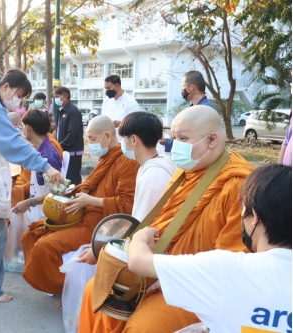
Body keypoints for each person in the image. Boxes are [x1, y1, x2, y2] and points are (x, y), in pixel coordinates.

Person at [78, 105, 255, 333]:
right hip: (158, 267)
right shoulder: (186, 172)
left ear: (212, 140)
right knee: (96, 289)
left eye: (182, 138)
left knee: (144, 327)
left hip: (196, 286)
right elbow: (160, 223)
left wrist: (170, 274)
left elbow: (232, 260)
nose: (176, 145)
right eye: (174, 137)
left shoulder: (240, 185)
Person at [128, 163, 292, 333]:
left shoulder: (224, 269)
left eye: (242, 211)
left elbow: (137, 261)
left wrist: (139, 237)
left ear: (255, 217)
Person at [0, 69, 64, 303]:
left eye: (24, 98)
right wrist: (46, 167)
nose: (20, 101)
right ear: (5, 86)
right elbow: (14, 145)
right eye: (19, 95)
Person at [21, 115, 139, 295]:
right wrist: (68, 191)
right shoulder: (107, 157)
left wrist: (90, 201)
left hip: (100, 225)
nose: (90, 143)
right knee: (32, 233)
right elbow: (91, 187)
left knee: (44, 247)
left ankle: (69, 292)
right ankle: (66, 288)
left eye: (92, 139)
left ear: (107, 136)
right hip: (84, 215)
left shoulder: (127, 162)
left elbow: (127, 204)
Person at [76, 112, 177, 265]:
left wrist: (100, 251)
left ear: (134, 140)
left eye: (123, 138)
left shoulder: (153, 177)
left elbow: (139, 227)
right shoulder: (162, 163)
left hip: (150, 254)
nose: (122, 143)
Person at [11, 109, 63, 221]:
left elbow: (57, 192)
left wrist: (30, 202)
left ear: (28, 128)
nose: (23, 130)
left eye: (24, 127)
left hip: (47, 216)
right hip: (39, 213)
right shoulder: (39, 150)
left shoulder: (50, 156)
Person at [55, 86, 84, 186]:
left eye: (57, 96)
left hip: (73, 151)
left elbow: (73, 132)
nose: (55, 99)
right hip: (64, 150)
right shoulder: (61, 110)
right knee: (66, 176)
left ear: (64, 96)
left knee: (73, 177)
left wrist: (60, 145)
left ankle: (77, 197)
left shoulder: (73, 111)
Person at [101, 74, 141, 141]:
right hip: (108, 142)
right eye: (105, 89)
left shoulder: (131, 102)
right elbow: (103, 117)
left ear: (117, 86)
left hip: (124, 143)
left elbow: (138, 124)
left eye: (109, 88)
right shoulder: (106, 100)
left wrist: (122, 124)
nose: (107, 91)